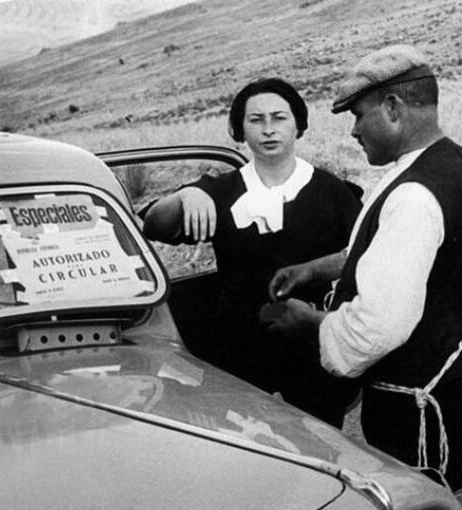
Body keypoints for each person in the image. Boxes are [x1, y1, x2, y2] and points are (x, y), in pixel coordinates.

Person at [265, 45, 462, 490]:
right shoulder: (454, 160)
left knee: (419, 507)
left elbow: (376, 328)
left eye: (358, 115)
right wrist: (315, 270)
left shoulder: (414, 196)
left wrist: (309, 321)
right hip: (453, 379)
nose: (354, 130)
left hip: (414, 410)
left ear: (392, 107)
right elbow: (405, 254)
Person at [141, 77, 362, 428]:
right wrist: (186, 195)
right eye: (256, 120)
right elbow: (154, 226)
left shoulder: (332, 191)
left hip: (309, 343)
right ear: (240, 130)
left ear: (298, 125)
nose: (268, 129)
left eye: (279, 118)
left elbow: (362, 256)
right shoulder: (220, 190)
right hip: (239, 348)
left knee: (319, 437)